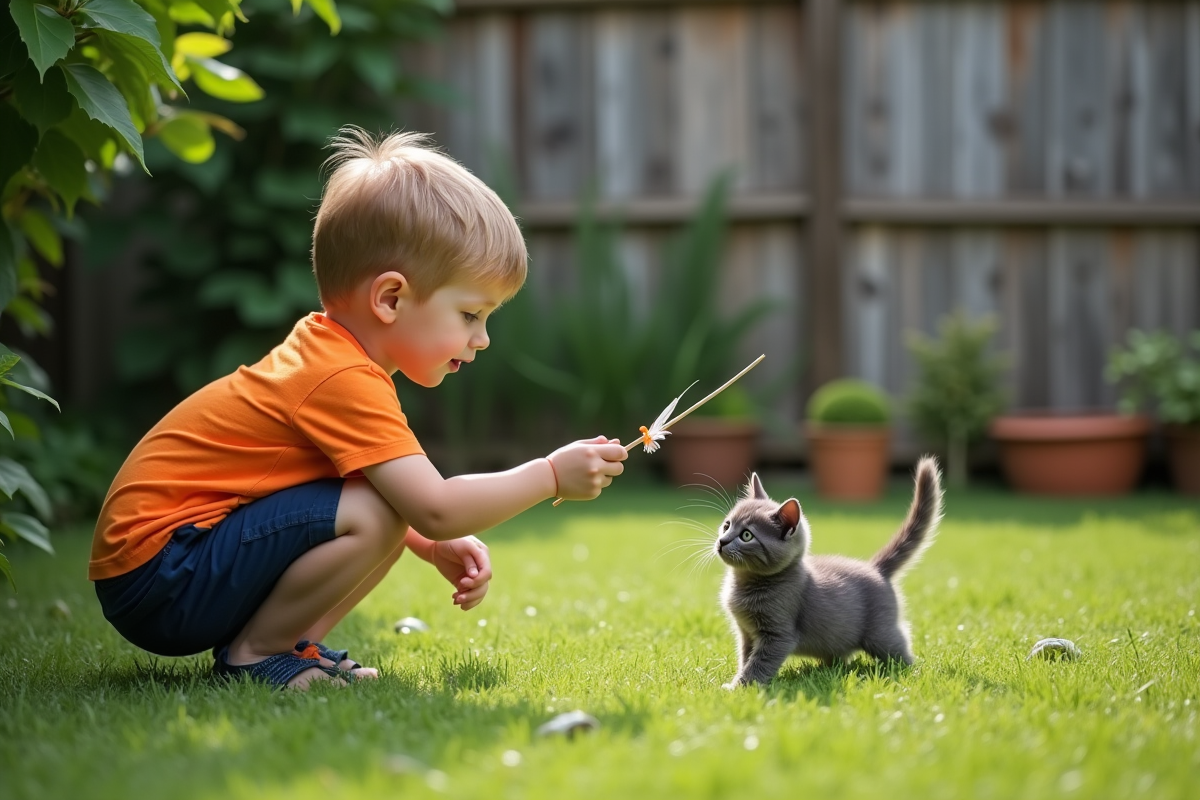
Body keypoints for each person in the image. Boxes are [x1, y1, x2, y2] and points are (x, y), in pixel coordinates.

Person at [90, 128, 628, 689]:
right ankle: (257, 655)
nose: (483, 338)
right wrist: (548, 477)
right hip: (161, 572)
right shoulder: (341, 377)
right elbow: (436, 506)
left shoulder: (334, 360)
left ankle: (289, 649)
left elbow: (389, 505)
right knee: (377, 514)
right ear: (390, 298)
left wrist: (426, 540)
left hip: (163, 566)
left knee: (384, 513)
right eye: (471, 314)